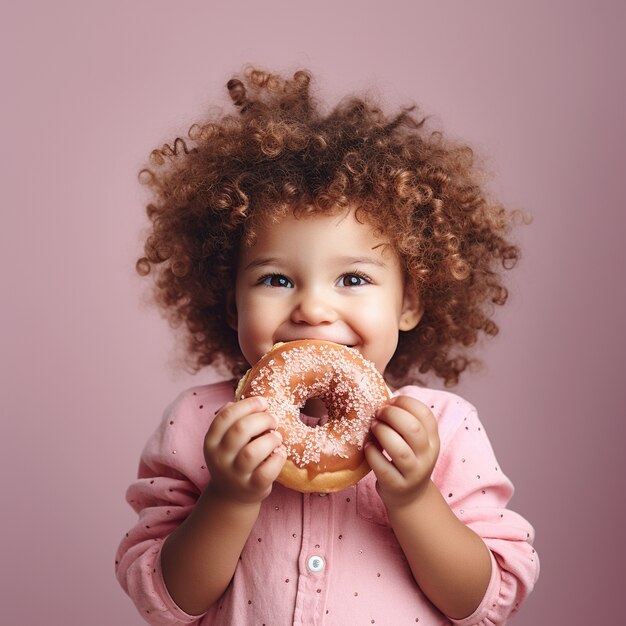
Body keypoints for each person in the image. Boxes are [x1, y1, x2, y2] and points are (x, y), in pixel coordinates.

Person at [115, 67, 539, 626]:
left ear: (408, 302)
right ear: (231, 303)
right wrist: (229, 498)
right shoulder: (198, 423)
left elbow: (486, 601)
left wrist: (414, 499)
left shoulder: (445, 427)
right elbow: (164, 600)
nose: (313, 309)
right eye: (276, 279)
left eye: (353, 279)